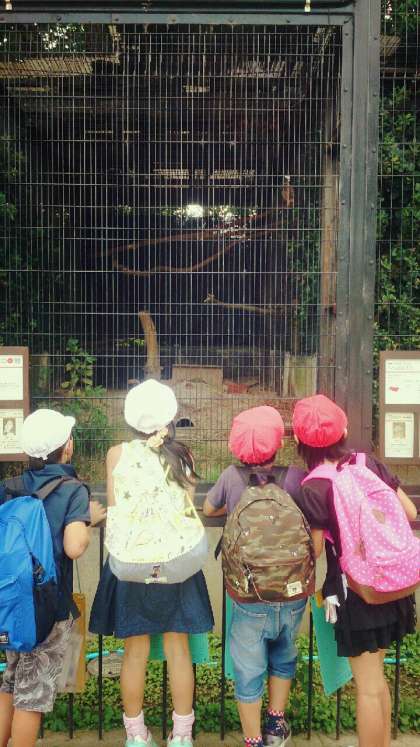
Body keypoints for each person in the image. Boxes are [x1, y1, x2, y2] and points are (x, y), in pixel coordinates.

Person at [89, 379, 214, 747]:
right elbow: (187, 503)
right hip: (176, 563)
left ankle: (136, 735)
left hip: (131, 562)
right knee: (179, 649)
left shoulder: (116, 454)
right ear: (169, 417)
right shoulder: (183, 455)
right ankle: (182, 735)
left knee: (135, 652)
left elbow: (116, 506)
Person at [292, 394, 417, 747]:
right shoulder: (368, 463)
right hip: (393, 581)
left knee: (368, 686)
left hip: (356, 591)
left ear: (299, 441)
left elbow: (316, 549)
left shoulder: (313, 485)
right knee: (378, 682)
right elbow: (409, 512)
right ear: (344, 430)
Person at [203, 406, 324, 747]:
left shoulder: (231, 477)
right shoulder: (296, 478)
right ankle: (275, 722)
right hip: (293, 592)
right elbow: (313, 540)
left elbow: (209, 509)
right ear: (278, 443)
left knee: (248, 666)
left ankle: (253, 739)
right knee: (284, 655)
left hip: (248, 595)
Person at [0, 408, 106, 747]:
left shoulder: (9, 488)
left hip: (10, 603)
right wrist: (87, 519)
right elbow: (74, 546)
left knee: (10, 683)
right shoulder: (73, 490)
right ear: (67, 447)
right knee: (32, 696)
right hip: (48, 610)